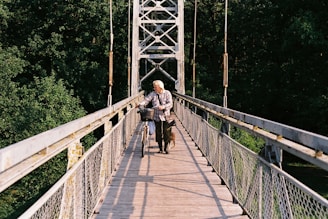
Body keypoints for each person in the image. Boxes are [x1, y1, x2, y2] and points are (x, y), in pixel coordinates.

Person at [138, 80, 173, 154]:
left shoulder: (167, 93)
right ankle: (160, 147)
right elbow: (146, 100)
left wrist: (163, 107)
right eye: (154, 87)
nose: (154, 88)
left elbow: (170, 103)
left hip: (166, 115)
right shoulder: (153, 94)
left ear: (160, 87)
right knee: (158, 132)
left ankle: (166, 146)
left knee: (166, 131)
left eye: (155, 87)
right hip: (156, 115)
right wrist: (140, 104)